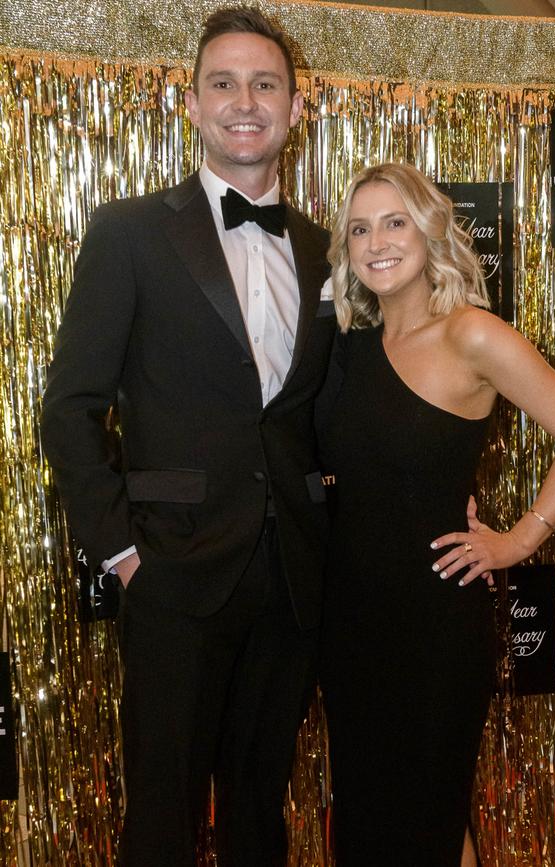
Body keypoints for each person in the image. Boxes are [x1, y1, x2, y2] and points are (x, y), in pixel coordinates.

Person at [40, 8, 336, 866]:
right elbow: (69, 407)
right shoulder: (129, 232)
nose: (245, 101)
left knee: (259, 812)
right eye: (224, 83)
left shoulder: (326, 250)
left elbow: (326, 412)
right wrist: (121, 552)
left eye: (265, 83)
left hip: (291, 580)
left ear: (294, 103)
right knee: (162, 819)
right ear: (193, 103)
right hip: (171, 571)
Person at [317, 162, 555, 866]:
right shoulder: (349, 344)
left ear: (428, 233)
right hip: (349, 623)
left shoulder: (470, 334)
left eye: (395, 222)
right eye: (360, 228)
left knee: (428, 816)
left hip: (436, 627)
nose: (377, 241)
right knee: (366, 819)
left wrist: (516, 540)